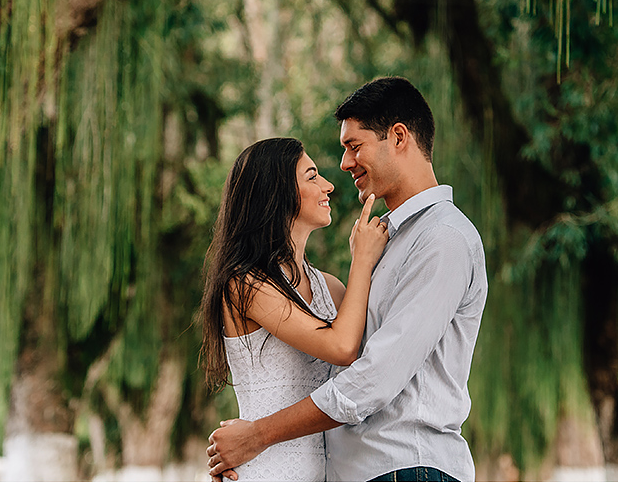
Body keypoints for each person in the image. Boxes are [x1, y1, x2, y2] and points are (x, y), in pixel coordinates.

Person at [207, 77, 488, 482]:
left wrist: (257, 436)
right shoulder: (385, 242)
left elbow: (373, 377)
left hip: (408, 466)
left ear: (398, 137)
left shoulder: (441, 239)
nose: (342, 167)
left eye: (354, 147)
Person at [200, 137, 390, 481]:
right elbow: (342, 347)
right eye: (313, 176)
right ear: (278, 191)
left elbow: (369, 365)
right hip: (267, 469)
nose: (329, 186)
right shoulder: (245, 284)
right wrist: (361, 259)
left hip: (329, 472)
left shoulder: (328, 288)